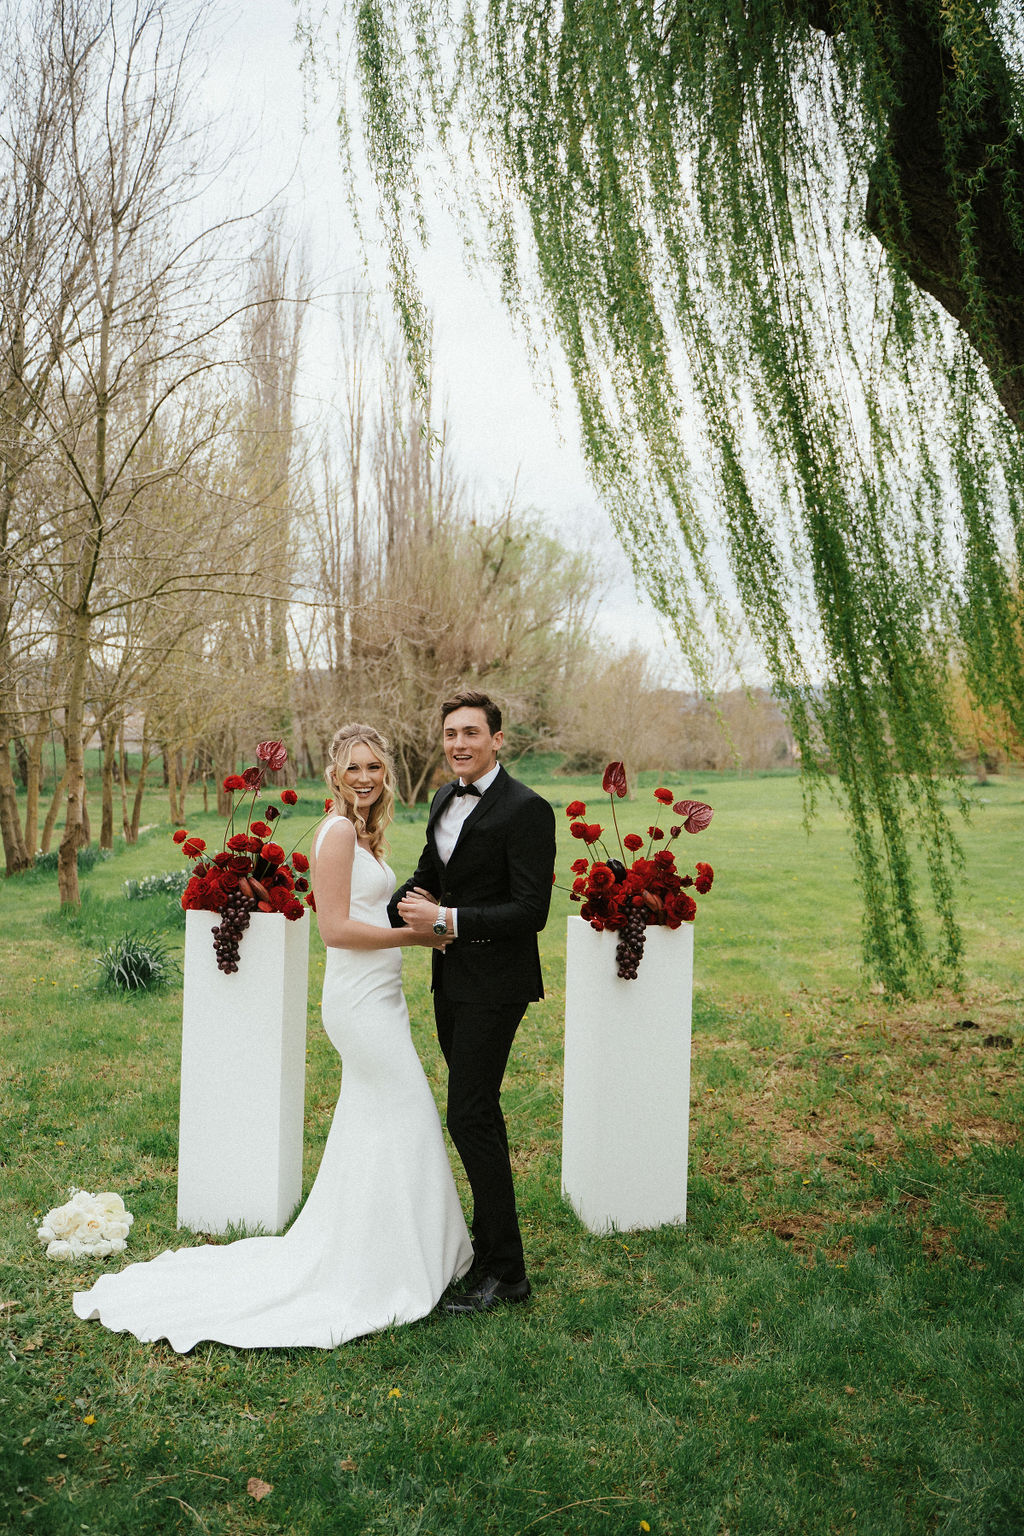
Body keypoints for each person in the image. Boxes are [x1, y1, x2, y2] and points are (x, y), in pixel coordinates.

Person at [72, 724, 472, 1351]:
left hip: (382, 998)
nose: (365, 778)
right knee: (407, 1111)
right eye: (353, 768)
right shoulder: (338, 832)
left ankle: (388, 1249)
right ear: (335, 775)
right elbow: (336, 930)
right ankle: (384, 1262)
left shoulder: (364, 833)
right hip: (359, 1001)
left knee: (379, 1122)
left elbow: (364, 912)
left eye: (374, 768)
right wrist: (418, 938)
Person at [388, 691, 556, 1314]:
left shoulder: (528, 810)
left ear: (497, 739)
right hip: (449, 983)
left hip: (497, 985)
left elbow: (531, 910)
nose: (458, 744)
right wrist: (398, 901)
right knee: (475, 1112)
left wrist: (448, 919)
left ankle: (506, 1274)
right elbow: (434, 870)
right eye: (450, 734)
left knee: (470, 1115)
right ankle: (488, 1253)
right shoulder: (441, 797)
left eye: (470, 733)